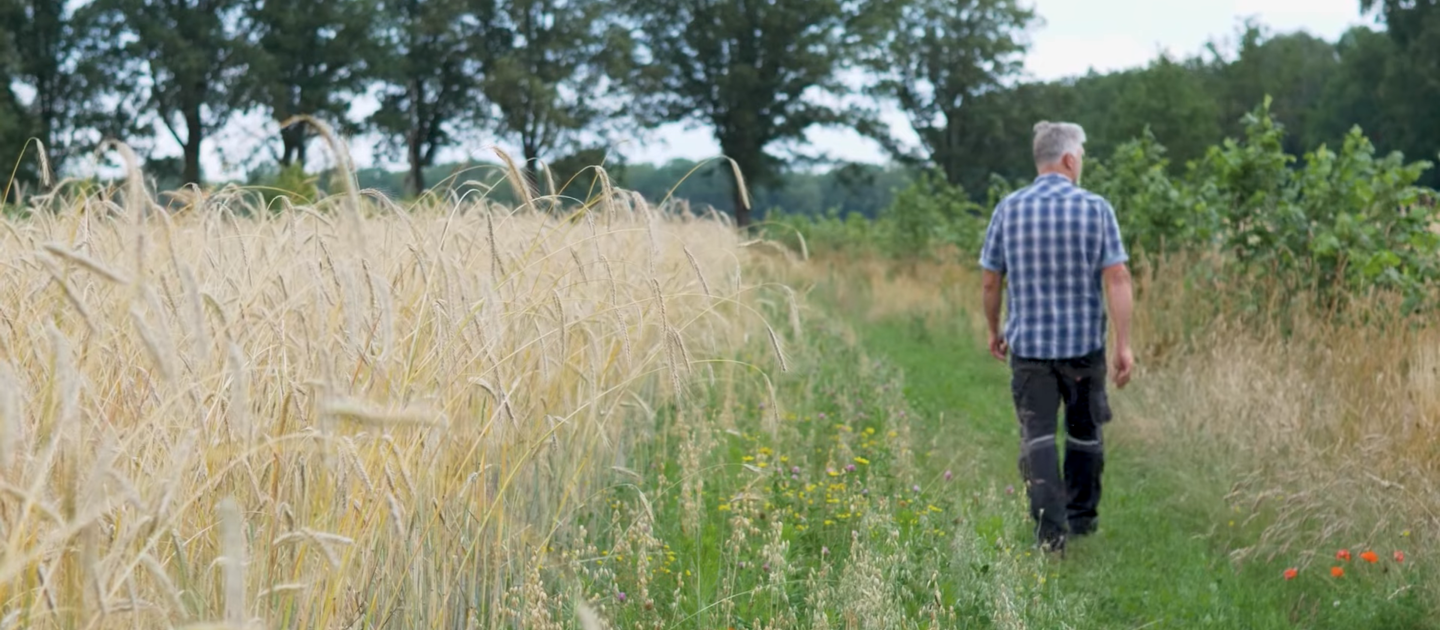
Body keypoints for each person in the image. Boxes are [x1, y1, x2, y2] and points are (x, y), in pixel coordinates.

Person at [978, 121, 1135, 554]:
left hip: (1029, 349)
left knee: (1039, 436)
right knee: (1084, 432)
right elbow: (1118, 277)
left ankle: (1050, 533)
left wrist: (994, 329)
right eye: (1081, 155)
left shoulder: (1008, 209)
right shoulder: (1096, 208)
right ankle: (1082, 517)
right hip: (1084, 348)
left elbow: (991, 281)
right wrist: (1123, 343)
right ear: (1069, 159)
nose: (1081, 162)